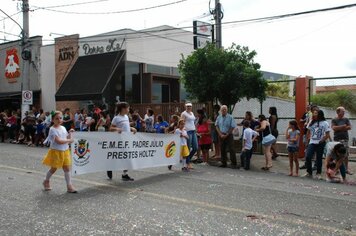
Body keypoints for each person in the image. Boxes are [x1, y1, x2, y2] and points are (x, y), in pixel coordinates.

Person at [42, 111, 77, 193]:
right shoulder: (52, 129)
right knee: (53, 168)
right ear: (52, 120)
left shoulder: (63, 128)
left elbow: (65, 137)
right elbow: (59, 141)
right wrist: (69, 140)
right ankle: (46, 180)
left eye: (60, 118)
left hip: (65, 151)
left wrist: (70, 133)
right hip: (56, 151)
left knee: (67, 168)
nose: (59, 120)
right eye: (56, 118)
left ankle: (69, 186)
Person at [107, 102, 137, 181]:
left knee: (127, 157)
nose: (128, 109)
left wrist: (132, 128)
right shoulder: (116, 118)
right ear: (123, 109)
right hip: (119, 141)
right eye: (127, 108)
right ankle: (109, 167)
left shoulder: (126, 117)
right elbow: (110, 128)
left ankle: (124, 174)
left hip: (127, 141)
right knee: (117, 157)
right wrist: (117, 129)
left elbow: (125, 126)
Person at [304, 110, 331, 179]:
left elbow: (327, 134)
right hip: (312, 142)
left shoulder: (325, 123)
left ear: (320, 115)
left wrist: (322, 140)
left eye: (316, 113)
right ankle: (309, 172)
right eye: (314, 113)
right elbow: (308, 132)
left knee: (319, 158)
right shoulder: (311, 122)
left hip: (320, 143)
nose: (314, 114)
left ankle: (318, 173)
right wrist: (307, 141)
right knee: (308, 156)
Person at [331, 107, 353, 175]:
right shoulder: (334, 119)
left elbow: (349, 127)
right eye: (342, 111)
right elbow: (334, 128)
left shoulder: (346, 119)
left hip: (345, 139)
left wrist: (339, 128)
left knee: (346, 155)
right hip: (337, 139)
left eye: (344, 111)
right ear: (338, 112)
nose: (344, 112)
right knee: (337, 154)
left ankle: (346, 169)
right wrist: (343, 126)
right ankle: (337, 169)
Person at [181, 103, 198, 169]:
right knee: (188, 148)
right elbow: (181, 122)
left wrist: (196, 130)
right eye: (187, 106)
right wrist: (183, 131)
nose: (189, 107)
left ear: (191, 107)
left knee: (195, 147)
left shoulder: (192, 113)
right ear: (185, 107)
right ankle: (188, 163)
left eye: (190, 106)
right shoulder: (184, 113)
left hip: (193, 131)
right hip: (187, 131)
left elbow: (193, 122)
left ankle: (187, 160)